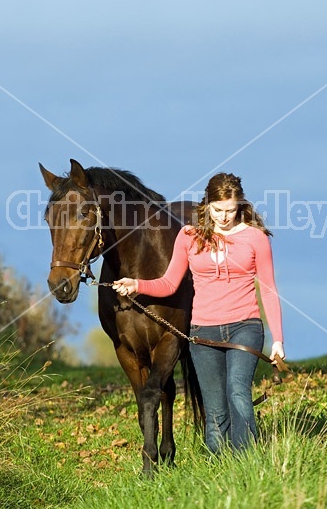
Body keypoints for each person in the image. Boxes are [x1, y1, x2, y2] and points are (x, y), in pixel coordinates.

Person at [113, 172, 285, 455]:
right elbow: (169, 283)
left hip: (245, 327)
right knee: (215, 406)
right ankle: (220, 468)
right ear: (208, 205)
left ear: (240, 205)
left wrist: (277, 339)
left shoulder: (255, 238)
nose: (224, 217)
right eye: (218, 210)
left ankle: (247, 461)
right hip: (203, 332)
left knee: (237, 391)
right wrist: (137, 285)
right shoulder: (188, 236)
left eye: (231, 210)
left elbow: (268, 290)